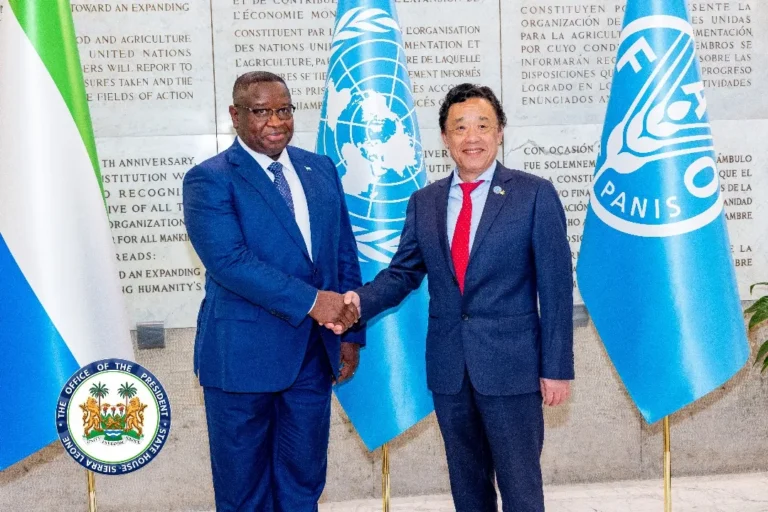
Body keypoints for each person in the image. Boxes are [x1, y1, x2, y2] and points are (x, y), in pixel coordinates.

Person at [333, 83, 574, 512]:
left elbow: (555, 290)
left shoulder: (533, 194)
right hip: (450, 370)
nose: (472, 137)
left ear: (500, 132)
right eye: (460, 127)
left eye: (483, 125)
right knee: (467, 490)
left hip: (512, 368)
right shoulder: (424, 202)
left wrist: (555, 369)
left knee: (521, 490)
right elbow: (403, 273)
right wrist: (356, 304)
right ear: (445, 137)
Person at [183, 71, 364, 512]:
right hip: (241, 359)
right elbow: (230, 262)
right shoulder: (209, 179)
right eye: (261, 111)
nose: (276, 122)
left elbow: (342, 249)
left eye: (284, 110)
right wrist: (313, 302)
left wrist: (350, 333)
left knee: (304, 482)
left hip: (312, 357)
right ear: (235, 115)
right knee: (244, 491)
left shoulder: (319, 168)